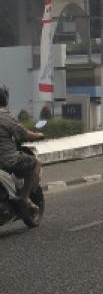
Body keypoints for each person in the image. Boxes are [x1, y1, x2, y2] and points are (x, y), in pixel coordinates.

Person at [0, 86, 45, 215]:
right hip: (7, 159)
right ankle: (25, 198)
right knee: (36, 163)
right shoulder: (4, 115)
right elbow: (24, 133)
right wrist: (39, 135)